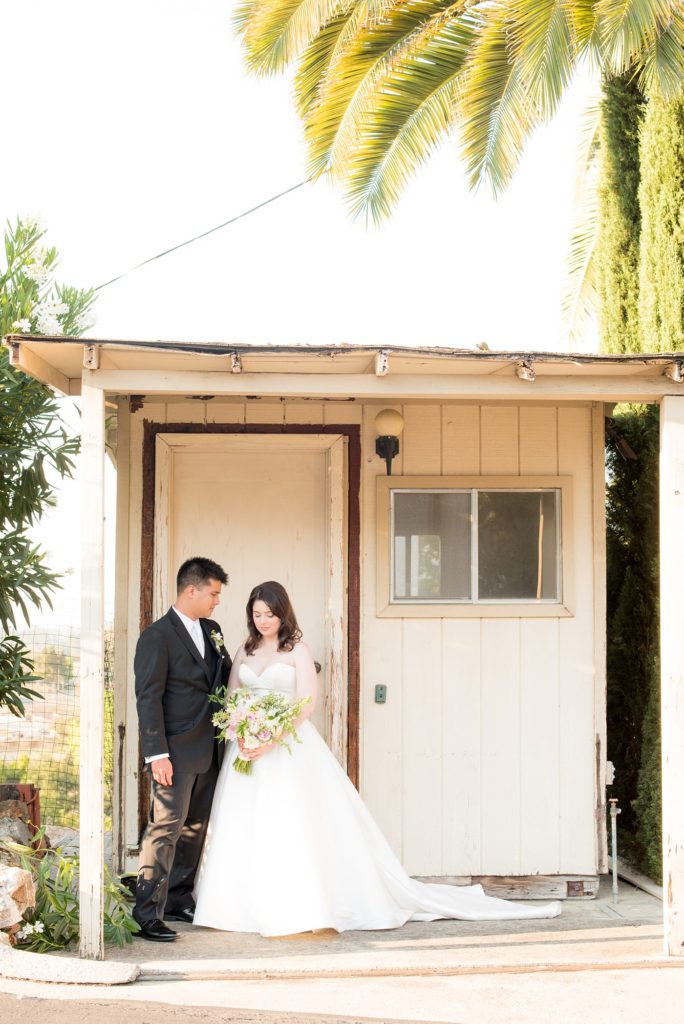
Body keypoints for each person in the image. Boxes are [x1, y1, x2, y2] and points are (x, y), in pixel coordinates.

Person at [193, 581, 561, 935]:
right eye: (257, 614)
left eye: (270, 614)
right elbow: (232, 696)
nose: (263, 621)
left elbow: (306, 703)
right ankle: (239, 906)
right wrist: (242, 729)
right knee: (245, 824)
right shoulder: (245, 650)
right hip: (247, 749)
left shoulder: (297, 650)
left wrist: (272, 736)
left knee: (290, 823)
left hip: (287, 746)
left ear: (283, 613)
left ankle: (298, 905)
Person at [133, 556, 231, 942]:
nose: (217, 601)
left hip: (210, 749)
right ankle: (145, 914)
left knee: (194, 828)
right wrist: (156, 754)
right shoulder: (156, 637)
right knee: (165, 829)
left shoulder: (213, 630)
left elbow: (223, 677)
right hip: (173, 753)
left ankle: (177, 899)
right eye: (213, 594)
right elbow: (148, 697)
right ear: (192, 590)